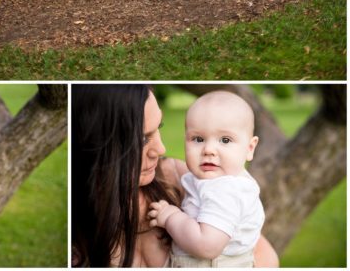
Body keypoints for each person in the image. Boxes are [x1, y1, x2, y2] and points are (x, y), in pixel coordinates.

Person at [71, 84, 278, 268]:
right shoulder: (76, 231)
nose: (160, 149)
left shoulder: (187, 178)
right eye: (143, 139)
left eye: (158, 128)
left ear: (250, 147)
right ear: (97, 145)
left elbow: (265, 257)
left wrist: (172, 217)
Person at [148, 91, 264, 267]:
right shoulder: (213, 182)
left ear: (249, 148)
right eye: (198, 139)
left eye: (225, 140)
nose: (209, 149)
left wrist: (171, 217)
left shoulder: (226, 190)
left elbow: (207, 246)